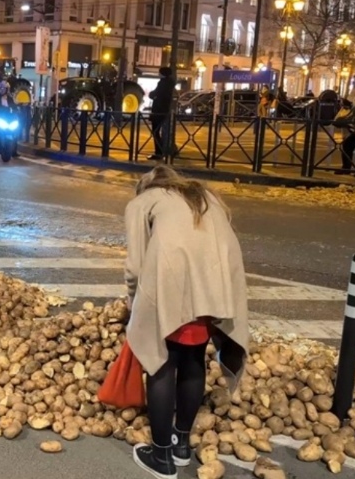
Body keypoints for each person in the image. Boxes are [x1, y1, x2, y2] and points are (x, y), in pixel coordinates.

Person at [125, 166, 249, 479]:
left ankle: (161, 456)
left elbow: (136, 266)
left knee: (161, 364)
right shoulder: (204, 195)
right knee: (193, 358)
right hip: (212, 287)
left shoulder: (143, 202)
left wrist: (134, 306)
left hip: (172, 283)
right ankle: (181, 445)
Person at [148, 67, 175, 161]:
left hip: (158, 111)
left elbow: (155, 94)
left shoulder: (162, 83)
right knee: (159, 132)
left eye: (159, 72)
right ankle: (162, 151)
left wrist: (152, 95)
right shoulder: (170, 83)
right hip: (164, 110)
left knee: (155, 132)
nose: (158, 74)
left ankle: (158, 153)